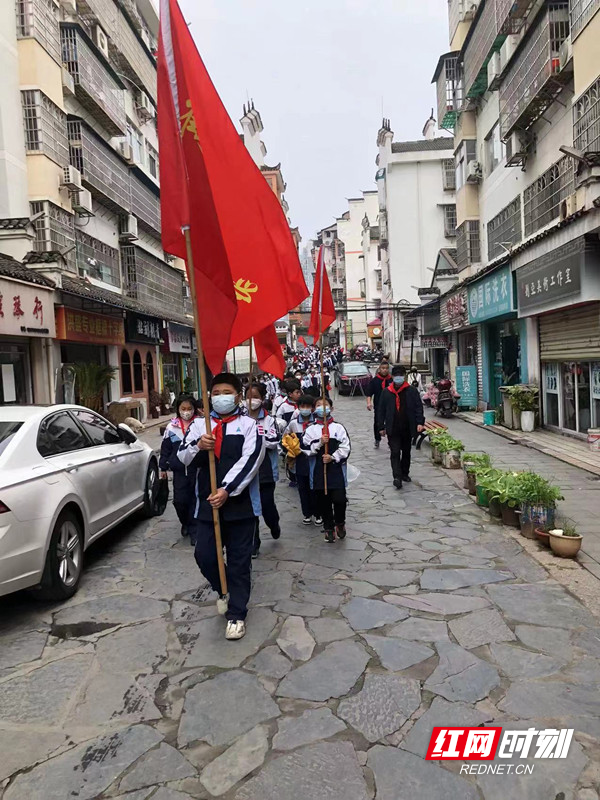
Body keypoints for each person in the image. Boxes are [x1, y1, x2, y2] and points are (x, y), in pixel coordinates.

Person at [178, 373, 264, 641]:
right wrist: (197, 445)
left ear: (238, 396)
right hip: (206, 505)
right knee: (204, 555)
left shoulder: (250, 426)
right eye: (215, 392)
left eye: (226, 392)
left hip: (240, 506)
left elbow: (252, 460)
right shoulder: (198, 426)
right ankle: (223, 589)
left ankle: (237, 614)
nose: (220, 397)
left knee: (239, 562)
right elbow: (182, 456)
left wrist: (226, 489)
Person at [301, 397, 351, 543]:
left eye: (325, 405)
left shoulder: (338, 428)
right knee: (324, 501)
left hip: (335, 470)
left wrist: (334, 457)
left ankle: (340, 522)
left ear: (331, 408)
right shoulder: (310, 430)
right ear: (313, 409)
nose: (322, 407)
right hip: (318, 470)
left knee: (339, 499)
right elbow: (304, 448)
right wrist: (319, 444)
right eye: (318, 405)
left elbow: (346, 447)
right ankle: (328, 528)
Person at [245, 382, 281, 557]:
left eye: (255, 397)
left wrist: (256, 436)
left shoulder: (269, 420)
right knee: (250, 509)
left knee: (267, 506)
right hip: (245, 472)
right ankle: (254, 543)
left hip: (265, 472)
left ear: (262, 399)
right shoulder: (240, 419)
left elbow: (273, 443)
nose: (251, 401)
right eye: (248, 397)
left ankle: (274, 524)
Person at [159, 393, 200, 545]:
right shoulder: (172, 427)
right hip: (179, 471)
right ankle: (186, 522)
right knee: (180, 501)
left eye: (189, 408)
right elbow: (165, 449)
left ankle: (195, 530)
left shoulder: (200, 425)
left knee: (196, 500)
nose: (186, 411)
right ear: (178, 409)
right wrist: (163, 466)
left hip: (197, 470)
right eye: (183, 408)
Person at [377, 365, 425, 489]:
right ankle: (397, 477)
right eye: (396, 375)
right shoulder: (387, 392)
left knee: (406, 451)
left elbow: (418, 408)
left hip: (407, 427)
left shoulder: (411, 391)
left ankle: (405, 473)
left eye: (401, 375)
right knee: (395, 452)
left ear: (404, 376)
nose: (398, 378)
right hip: (393, 427)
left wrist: (420, 422)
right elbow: (380, 410)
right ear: (392, 377)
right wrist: (380, 427)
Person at [286, 394, 322, 526]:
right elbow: (285, 438)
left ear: (312, 408)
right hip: (300, 460)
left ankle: (318, 513)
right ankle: (307, 513)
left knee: (315, 488)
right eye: (302, 406)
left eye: (308, 406)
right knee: (303, 488)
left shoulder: (317, 422)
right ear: (298, 407)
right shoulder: (294, 424)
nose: (305, 409)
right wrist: (289, 451)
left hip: (315, 459)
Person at [366, 361, 392, 449]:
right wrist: (369, 403)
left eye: (386, 368)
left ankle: (391, 440)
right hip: (379, 405)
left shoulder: (391, 380)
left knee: (390, 422)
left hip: (390, 405)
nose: (384, 370)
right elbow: (369, 393)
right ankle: (377, 439)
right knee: (377, 422)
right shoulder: (375, 380)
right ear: (380, 369)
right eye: (383, 368)